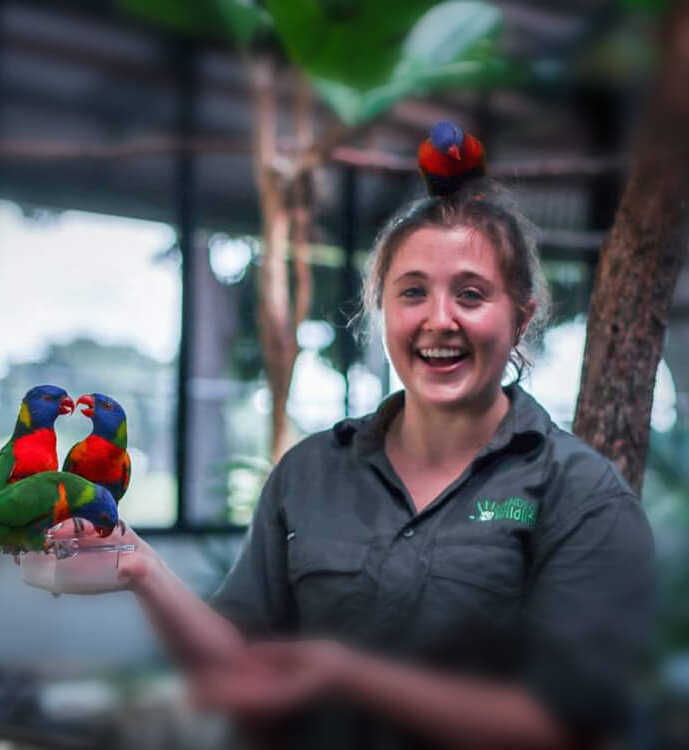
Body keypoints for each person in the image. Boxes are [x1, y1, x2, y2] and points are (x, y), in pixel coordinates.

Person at [84, 181, 654, 749]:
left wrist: (350, 676)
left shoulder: (580, 495)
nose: (439, 319)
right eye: (412, 293)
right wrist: (141, 568)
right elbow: (243, 664)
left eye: (472, 295)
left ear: (521, 319)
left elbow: (573, 726)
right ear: (383, 308)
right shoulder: (309, 472)